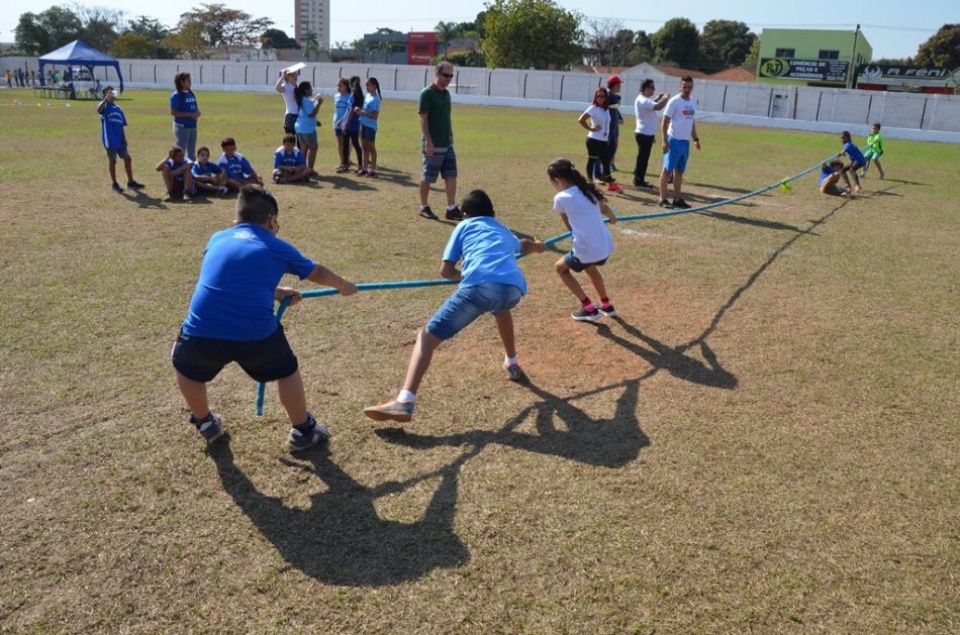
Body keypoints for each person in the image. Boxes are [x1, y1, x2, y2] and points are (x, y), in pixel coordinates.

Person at [171, 184, 358, 451]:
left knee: (184, 365)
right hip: (255, 333)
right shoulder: (275, 245)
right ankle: (303, 431)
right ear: (271, 221)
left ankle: (205, 422)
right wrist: (343, 285)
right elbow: (316, 271)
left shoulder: (217, 238)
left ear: (237, 218)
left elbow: (234, 279)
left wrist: (276, 292)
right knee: (287, 370)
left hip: (202, 331)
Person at [364, 189, 546, 422]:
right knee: (501, 309)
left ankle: (405, 400)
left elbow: (446, 271)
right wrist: (538, 246)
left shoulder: (463, 226)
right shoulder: (501, 228)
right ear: (493, 213)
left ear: (464, 214)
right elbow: (523, 245)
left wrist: (469, 277)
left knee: (426, 337)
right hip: (514, 289)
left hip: (480, 287)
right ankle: (511, 362)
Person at [547, 158, 619, 322]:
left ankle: (589, 308)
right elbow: (605, 209)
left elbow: (569, 227)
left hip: (586, 248)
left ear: (557, 180)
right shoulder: (588, 190)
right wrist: (613, 219)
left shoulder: (561, 198)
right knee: (590, 268)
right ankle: (606, 305)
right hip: (604, 246)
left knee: (560, 269)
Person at [418, 61, 463, 221]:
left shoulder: (446, 94)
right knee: (428, 177)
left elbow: (446, 116)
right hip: (433, 144)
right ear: (437, 73)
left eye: (451, 76)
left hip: (447, 143)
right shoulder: (427, 93)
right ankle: (424, 206)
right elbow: (423, 118)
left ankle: (451, 208)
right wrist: (428, 141)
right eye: (445, 75)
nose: (448, 79)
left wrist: (450, 135)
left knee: (451, 175)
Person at [658, 75, 701, 210]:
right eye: (684, 87)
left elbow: (691, 121)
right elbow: (664, 121)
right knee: (667, 170)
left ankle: (677, 198)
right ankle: (662, 199)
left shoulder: (692, 101)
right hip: (673, 140)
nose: (687, 89)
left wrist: (695, 139)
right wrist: (664, 140)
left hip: (684, 141)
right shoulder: (674, 102)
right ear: (680, 87)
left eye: (689, 87)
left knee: (680, 171)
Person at [97, 85, 145, 194]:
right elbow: (98, 109)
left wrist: (124, 138)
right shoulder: (104, 107)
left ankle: (131, 182)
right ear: (104, 94)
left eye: (112, 92)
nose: (111, 94)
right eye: (108, 92)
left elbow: (121, 125)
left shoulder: (118, 108)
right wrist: (105, 99)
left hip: (119, 139)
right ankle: (114, 183)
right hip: (110, 139)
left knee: (127, 158)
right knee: (112, 161)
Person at [578, 87, 622, 193]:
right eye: (598, 96)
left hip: (603, 140)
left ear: (605, 97)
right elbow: (581, 119)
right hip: (593, 140)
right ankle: (590, 183)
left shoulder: (606, 109)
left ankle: (611, 183)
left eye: (602, 96)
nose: (600, 98)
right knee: (592, 161)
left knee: (606, 163)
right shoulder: (593, 108)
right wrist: (591, 128)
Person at [633, 79, 669, 188]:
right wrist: (666, 99)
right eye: (652, 87)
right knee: (643, 158)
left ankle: (638, 177)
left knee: (642, 157)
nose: (654, 89)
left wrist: (658, 98)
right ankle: (639, 180)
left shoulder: (643, 99)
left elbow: (651, 104)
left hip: (645, 133)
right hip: (644, 133)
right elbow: (658, 107)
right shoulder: (644, 100)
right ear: (646, 88)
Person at [170, 72, 200, 161]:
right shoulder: (176, 96)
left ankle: (191, 173)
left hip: (193, 127)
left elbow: (194, 107)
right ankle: (178, 172)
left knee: (192, 153)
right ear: (181, 82)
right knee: (180, 152)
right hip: (182, 127)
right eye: (188, 80)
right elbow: (174, 112)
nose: (190, 82)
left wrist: (197, 112)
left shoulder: (191, 94)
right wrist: (191, 115)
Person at [293, 81, 322, 176]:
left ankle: (301, 168)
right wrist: (319, 104)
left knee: (304, 147)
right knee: (313, 148)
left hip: (299, 126)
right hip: (307, 128)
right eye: (310, 89)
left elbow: (304, 113)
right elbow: (311, 114)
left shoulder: (300, 99)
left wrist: (315, 122)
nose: (312, 90)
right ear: (306, 90)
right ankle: (310, 169)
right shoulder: (307, 101)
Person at [356, 77, 382, 177]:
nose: (366, 87)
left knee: (371, 147)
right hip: (363, 123)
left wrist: (364, 113)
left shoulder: (376, 99)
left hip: (370, 126)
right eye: (366, 85)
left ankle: (373, 169)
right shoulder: (367, 96)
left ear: (374, 86)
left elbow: (375, 116)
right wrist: (359, 109)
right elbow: (365, 109)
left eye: (368, 85)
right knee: (364, 147)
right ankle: (365, 168)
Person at [341, 76, 364, 173]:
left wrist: (346, 123)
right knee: (352, 144)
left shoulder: (354, 95)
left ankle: (349, 165)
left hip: (351, 123)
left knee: (350, 144)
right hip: (355, 123)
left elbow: (351, 111)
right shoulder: (360, 94)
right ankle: (354, 165)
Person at [275, 68, 301, 145]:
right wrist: (282, 76)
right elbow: (277, 88)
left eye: (296, 74)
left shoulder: (298, 85)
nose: (295, 76)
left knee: (301, 142)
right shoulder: (286, 86)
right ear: (288, 76)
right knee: (290, 142)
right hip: (290, 116)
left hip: (300, 116)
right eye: (292, 75)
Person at [605, 74, 624, 172]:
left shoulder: (613, 97)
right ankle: (602, 172)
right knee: (605, 152)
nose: (620, 86)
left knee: (611, 151)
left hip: (613, 131)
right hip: (607, 130)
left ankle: (606, 171)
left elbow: (620, 119)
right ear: (614, 85)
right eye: (619, 84)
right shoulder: (607, 96)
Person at [332, 77, 352, 172]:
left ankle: (346, 162)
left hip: (345, 124)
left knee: (346, 143)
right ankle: (342, 162)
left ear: (346, 87)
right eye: (337, 86)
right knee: (340, 143)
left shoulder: (349, 97)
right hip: (336, 123)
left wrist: (344, 121)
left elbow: (349, 111)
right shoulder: (336, 96)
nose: (338, 87)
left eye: (340, 85)